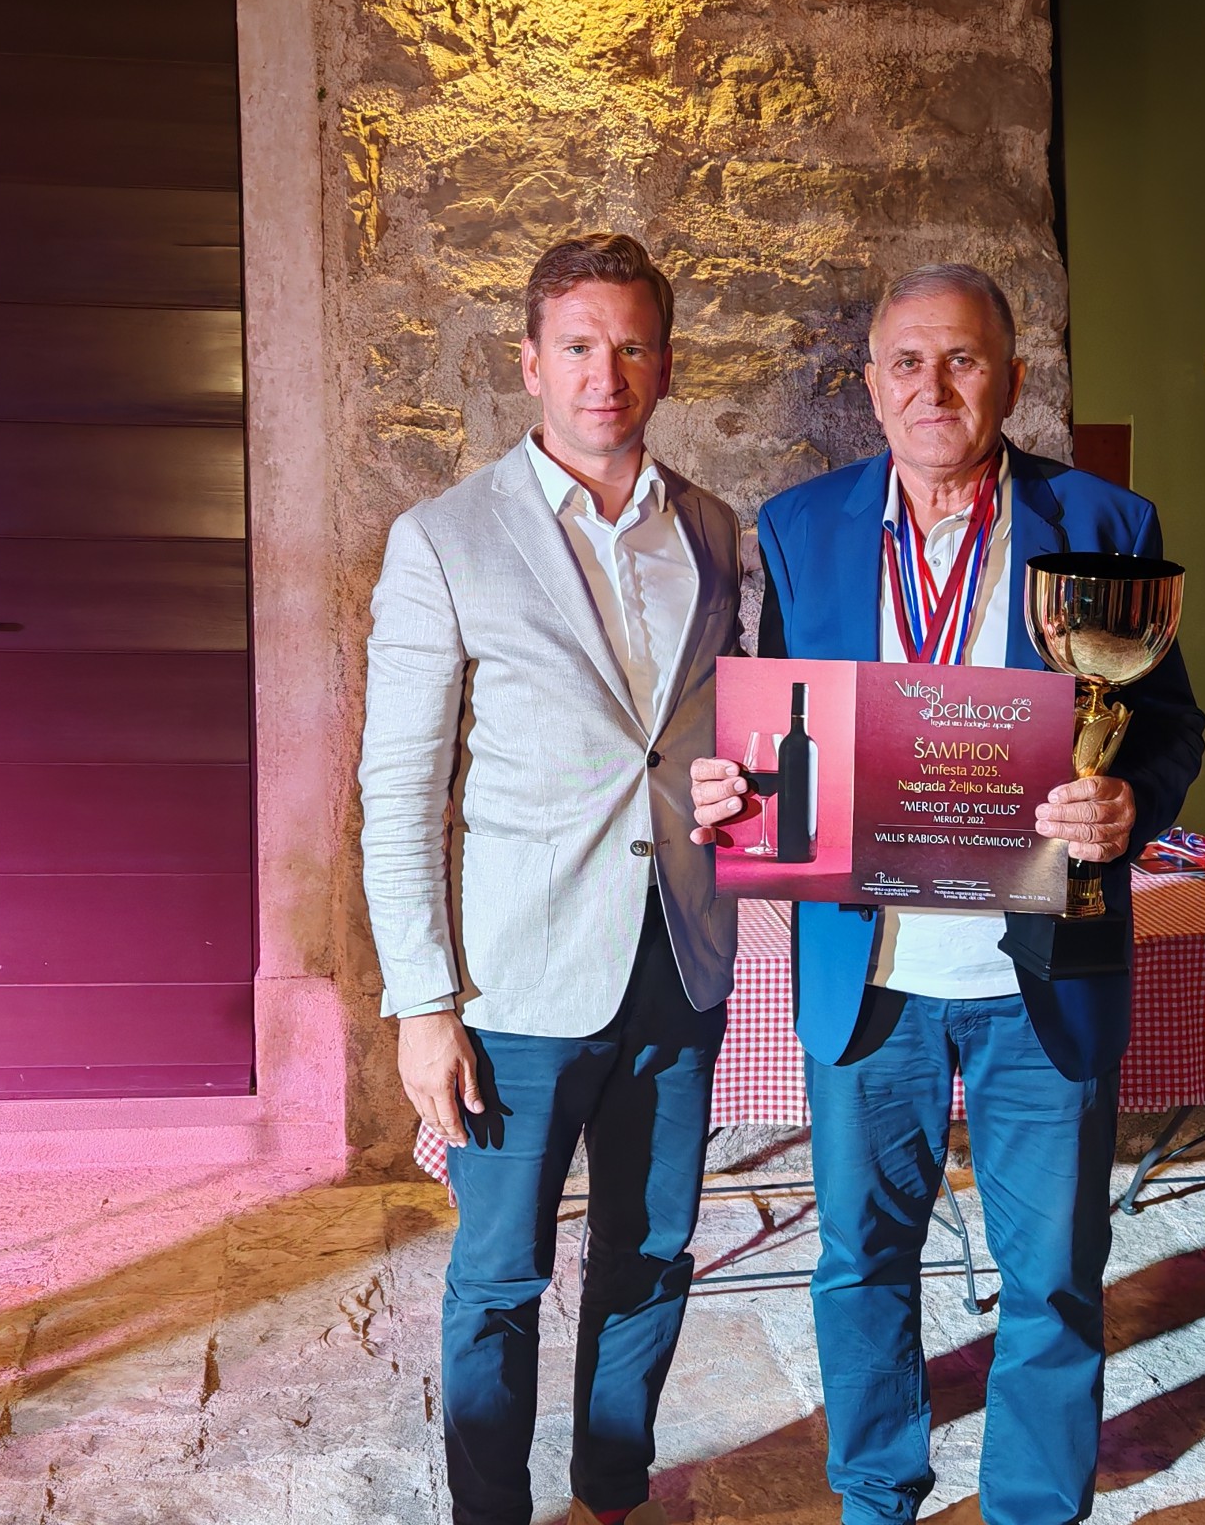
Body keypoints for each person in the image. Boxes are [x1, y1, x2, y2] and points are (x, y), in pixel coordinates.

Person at [691, 264, 1205, 1524]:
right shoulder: (800, 527)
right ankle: (876, 1497)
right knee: (859, 1265)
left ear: (1010, 379)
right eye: (908, 362)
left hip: (1041, 972)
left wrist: (1128, 804)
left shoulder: (1105, 520)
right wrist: (733, 787)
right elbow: (779, 717)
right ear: (872, 385)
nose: (934, 386)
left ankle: (1033, 1506)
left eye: (963, 359)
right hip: (869, 975)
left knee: (1054, 1274)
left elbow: (1168, 726)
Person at [358, 233, 744, 1525]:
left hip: (678, 959)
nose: (604, 375)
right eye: (577, 346)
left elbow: (717, 737)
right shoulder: (443, 539)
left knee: (652, 1254)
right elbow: (398, 790)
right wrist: (423, 1005)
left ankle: (612, 1496)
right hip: (516, 981)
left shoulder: (710, 528)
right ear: (529, 362)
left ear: (666, 365)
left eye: (631, 347)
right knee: (499, 1277)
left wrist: (742, 791)